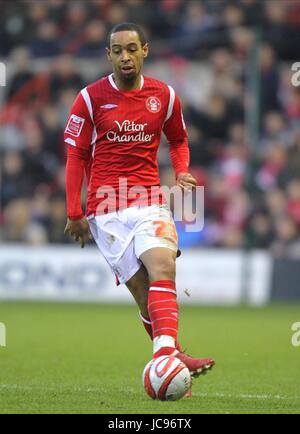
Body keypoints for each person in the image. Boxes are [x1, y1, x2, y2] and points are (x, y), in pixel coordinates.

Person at [64, 22, 215, 395]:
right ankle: (174, 354)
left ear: (145, 50)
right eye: (117, 50)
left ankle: (164, 356)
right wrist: (74, 212)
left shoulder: (164, 95)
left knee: (163, 264)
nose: (125, 57)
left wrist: (181, 172)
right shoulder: (89, 98)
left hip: (149, 199)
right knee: (143, 291)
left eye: (132, 49)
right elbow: (77, 154)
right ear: (108, 55)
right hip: (106, 208)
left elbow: (178, 139)